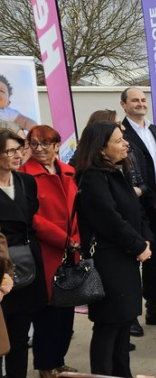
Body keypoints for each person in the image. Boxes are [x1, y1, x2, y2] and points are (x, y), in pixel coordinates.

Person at [73, 122, 153, 376]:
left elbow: (135, 212)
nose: (125, 144)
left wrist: (146, 240)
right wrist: (138, 245)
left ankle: (122, 373)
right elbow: (110, 220)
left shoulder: (116, 172)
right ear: (101, 148)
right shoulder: (93, 177)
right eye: (118, 140)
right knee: (108, 327)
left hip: (125, 259)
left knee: (122, 325)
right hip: (109, 262)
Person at [19, 126, 80, 376]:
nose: (39, 149)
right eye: (34, 144)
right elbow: (32, 218)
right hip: (46, 252)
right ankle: (46, 365)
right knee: (47, 314)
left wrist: (77, 239)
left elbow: (79, 210)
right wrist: (66, 239)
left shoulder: (69, 171)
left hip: (71, 250)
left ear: (57, 146)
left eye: (45, 144)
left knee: (67, 313)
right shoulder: (24, 175)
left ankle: (59, 360)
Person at [119, 87, 156, 334]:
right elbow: (134, 173)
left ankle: (153, 309)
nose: (140, 104)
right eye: (134, 100)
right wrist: (152, 197)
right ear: (123, 105)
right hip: (133, 206)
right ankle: (130, 315)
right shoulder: (121, 133)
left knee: (153, 258)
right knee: (131, 261)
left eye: (143, 100)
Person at [0, 129, 47, 378]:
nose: (18, 155)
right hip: (1, 269)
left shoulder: (26, 181)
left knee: (20, 335)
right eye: (10, 150)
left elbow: (30, 218)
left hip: (27, 264)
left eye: (20, 149)